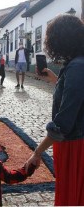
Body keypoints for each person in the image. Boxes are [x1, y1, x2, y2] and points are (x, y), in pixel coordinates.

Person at [25, 14, 84, 206]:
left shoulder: (76, 67)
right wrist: (53, 79)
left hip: (74, 146)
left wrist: (37, 152)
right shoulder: (77, 64)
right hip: (76, 141)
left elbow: (63, 123)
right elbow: (76, 97)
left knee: (70, 198)